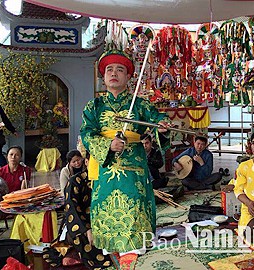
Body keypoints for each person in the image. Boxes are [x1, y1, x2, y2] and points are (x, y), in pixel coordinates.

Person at [80, 49, 170, 269]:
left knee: (135, 206)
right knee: (106, 207)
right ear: (103, 76)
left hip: (134, 168)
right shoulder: (94, 106)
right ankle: (112, 251)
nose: (114, 73)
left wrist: (164, 126)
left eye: (120, 70)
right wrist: (107, 145)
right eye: (109, 69)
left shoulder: (140, 105)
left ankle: (133, 254)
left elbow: (158, 119)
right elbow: (87, 132)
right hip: (106, 167)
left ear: (129, 77)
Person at [43, 152, 114, 269]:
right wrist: (87, 229)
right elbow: (71, 209)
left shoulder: (109, 178)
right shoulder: (75, 181)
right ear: (87, 162)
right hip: (81, 222)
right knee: (84, 239)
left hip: (105, 220)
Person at [142, 134, 184, 201]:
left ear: (151, 143)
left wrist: (148, 161)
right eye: (143, 144)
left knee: (159, 183)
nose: (145, 146)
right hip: (143, 179)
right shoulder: (139, 153)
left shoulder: (156, 152)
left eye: (147, 143)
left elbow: (160, 164)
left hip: (154, 177)